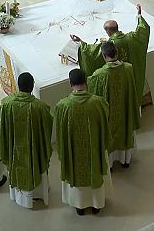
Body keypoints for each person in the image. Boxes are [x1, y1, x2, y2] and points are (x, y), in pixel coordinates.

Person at [55, 68, 111, 215]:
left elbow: (60, 133)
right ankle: (96, 204)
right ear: (86, 82)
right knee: (94, 169)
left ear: (69, 83)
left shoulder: (62, 106)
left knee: (77, 171)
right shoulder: (97, 103)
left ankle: (80, 206)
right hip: (93, 149)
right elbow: (105, 121)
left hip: (74, 152)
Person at [0, 72, 53, 209]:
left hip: (15, 149)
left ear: (18, 85)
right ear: (32, 86)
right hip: (35, 150)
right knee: (36, 165)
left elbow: (3, 128)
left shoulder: (7, 104)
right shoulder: (40, 107)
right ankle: (38, 194)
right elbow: (48, 126)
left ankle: (19, 196)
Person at [74, 4, 150, 101]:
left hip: (116, 82)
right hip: (130, 77)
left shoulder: (109, 44)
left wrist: (80, 42)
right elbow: (143, 30)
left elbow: (91, 53)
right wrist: (139, 15)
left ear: (108, 32)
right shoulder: (131, 38)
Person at [87, 41, 140, 168]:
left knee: (110, 134)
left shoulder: (99, 75)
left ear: (104, 56)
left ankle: (110, 164)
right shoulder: (128, 68)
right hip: (124, 112)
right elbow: (132, 91)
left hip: (109, 116)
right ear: (116, 52)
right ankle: (125, 160)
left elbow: (93, 93)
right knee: (124, 130)